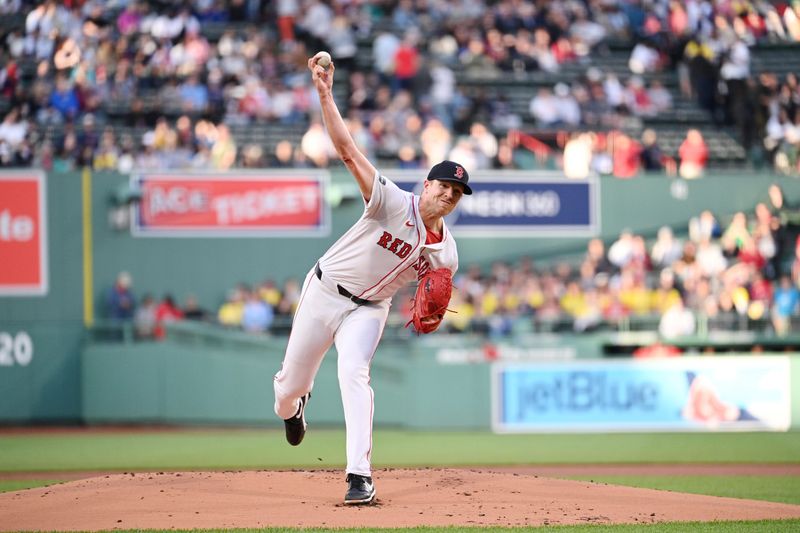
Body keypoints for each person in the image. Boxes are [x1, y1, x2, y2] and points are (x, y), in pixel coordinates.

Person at [272, 53, 471, 506]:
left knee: (353, 374)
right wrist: (325, 93)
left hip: (370, 309)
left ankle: (359, 476)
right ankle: (294, 406)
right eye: (444, 186)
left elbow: (433, 294)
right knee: (288, 387)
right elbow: (346, 150)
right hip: (325, 291)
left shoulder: (448, 253)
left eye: (457, 192)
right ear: (426, 184)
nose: (449, 194)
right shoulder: (391, 202)